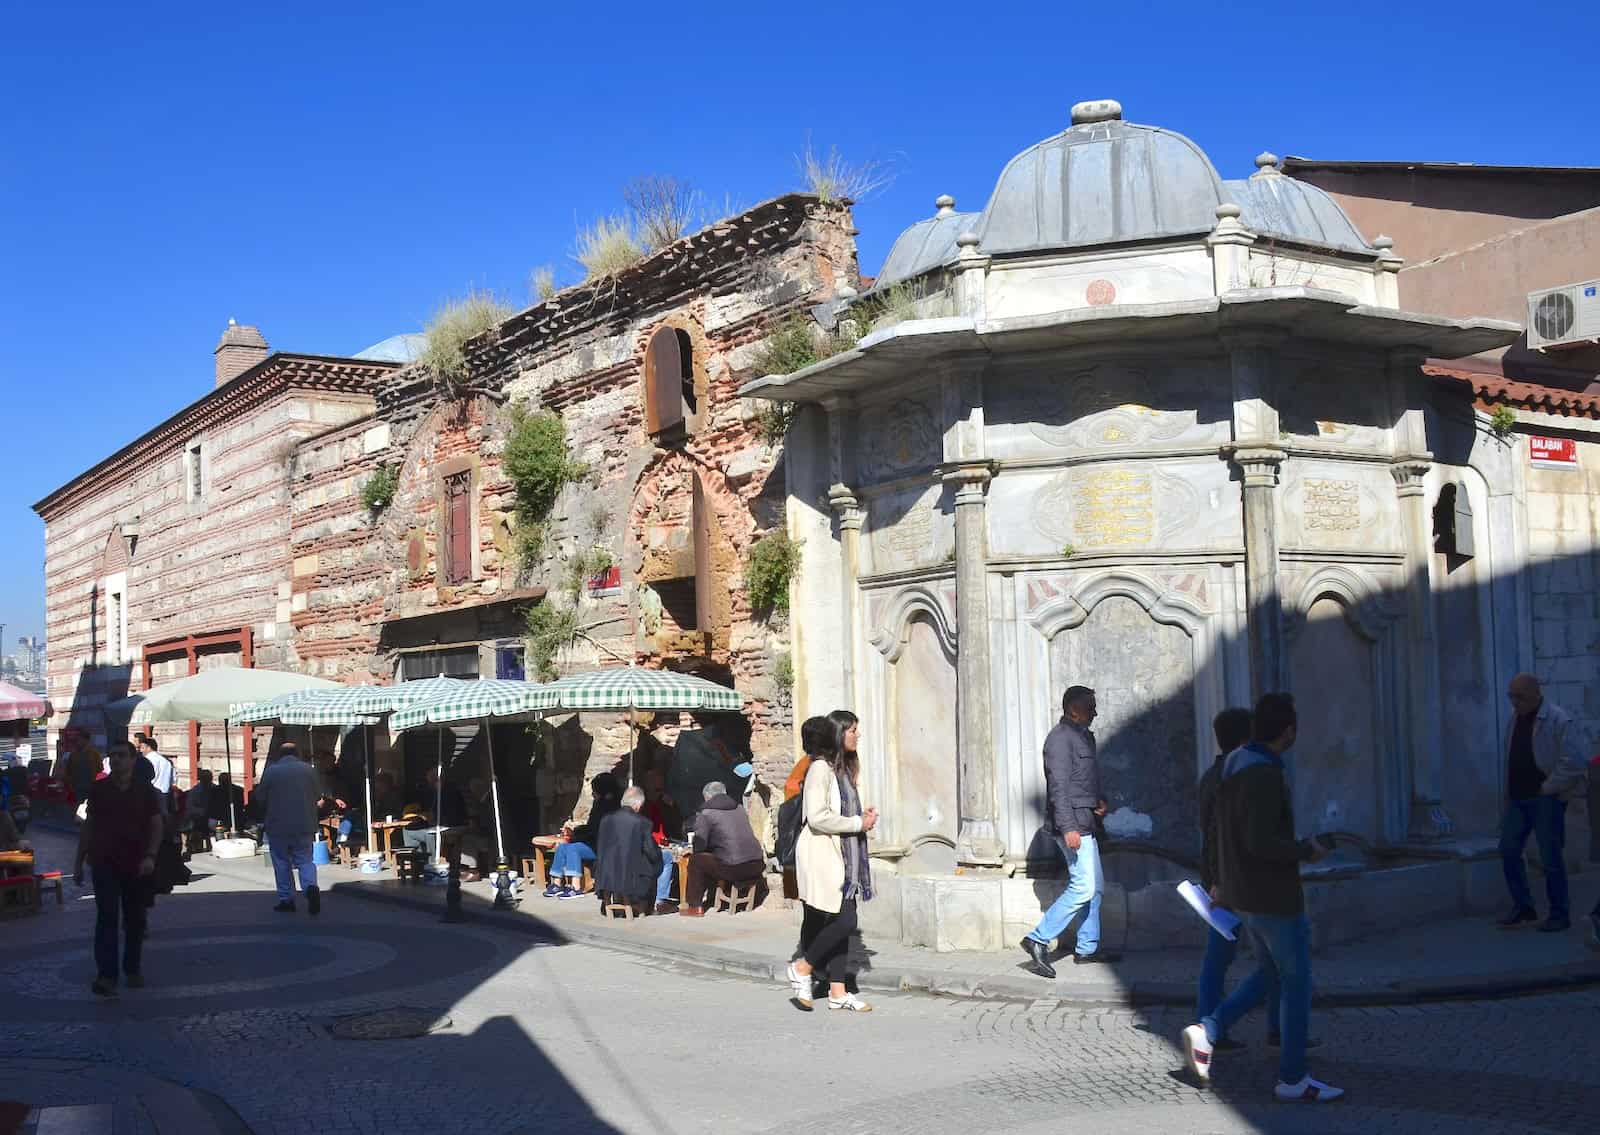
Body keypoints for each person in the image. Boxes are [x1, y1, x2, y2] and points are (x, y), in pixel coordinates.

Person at [1181, 693, 1342, 1103]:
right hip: (1271, 895)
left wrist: (1221, 884)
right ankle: (1292, 1077)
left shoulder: (1232, 766)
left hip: (1242, 893)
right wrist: (1308, 849)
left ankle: (1209, 1031)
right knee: (1297, 980)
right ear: (1288, 732)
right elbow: (1261, 842)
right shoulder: (1264, 773)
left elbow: (1220, 835)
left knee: (1271, 974)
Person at [1194, 706, 1278, 1050]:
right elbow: (1217, 835)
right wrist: (1219, 881)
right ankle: (1216, 1027)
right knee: (1274, 960)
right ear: (1246, 738)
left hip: (1220, 882)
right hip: (1234, 885)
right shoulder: (1234, 777)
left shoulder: (1210, 775)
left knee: (1218, 959)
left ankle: (1210, 1023)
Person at [784, 710, 877, 1012]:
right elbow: (817, 816)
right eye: (852, 730)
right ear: (838, 734)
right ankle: (803, 968)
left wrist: (863, 819)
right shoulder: (820, 769)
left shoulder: (843, 770)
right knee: (844, 920)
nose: (857, 735)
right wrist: (856, 824)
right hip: (822, 856)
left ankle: (837, 991)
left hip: (841, 856)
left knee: (833, 921)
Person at [1020, 686, 1113, 978]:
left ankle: (1087, 947)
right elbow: (1058, 789)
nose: (1095, 712)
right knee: (1083, 886)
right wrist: (1068, 827)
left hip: (1086, 820)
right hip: (1072, 825)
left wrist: (1098, 801)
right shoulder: (1059, 740)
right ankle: (1037, 938)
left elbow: (1081, 781)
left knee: (1094, 887)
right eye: (1090, 707)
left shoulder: (1083, 737)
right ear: (1073, 708)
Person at [1497, 673, 1587, 933]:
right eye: (1511, 696)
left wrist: (1547, 787)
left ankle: (1559, 913)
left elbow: (1574, 761)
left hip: (1544, 799)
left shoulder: (1558, 719)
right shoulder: (1515, 719)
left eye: (1520, 696)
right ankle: (1524, 907)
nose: (1514, 702)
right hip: (1518, 799)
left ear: (1536, 694)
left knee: (1550, 857)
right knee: (1509, 850)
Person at [73, 745, 162, 998]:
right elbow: (89, 826)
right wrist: (78, 862)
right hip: (104, 862)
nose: (116, 759)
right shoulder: (99, 789)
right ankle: (107, 975)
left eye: (122, 755)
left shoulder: (145, 790)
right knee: (107, 917)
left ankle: (132, 968)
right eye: (113, 755)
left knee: (135, 919)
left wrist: (151, 856)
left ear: (134, 760)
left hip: (137, 863)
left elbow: (156, 825)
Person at [255, 742, 323, 915]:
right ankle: (310, 888)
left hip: (278, 825)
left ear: (280, 754)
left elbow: (260, 797)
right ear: (297, 753)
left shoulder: (272, 771)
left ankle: (287, 899)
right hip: (305, 823)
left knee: (281, 862)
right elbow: (317, 796)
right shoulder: (309, 770)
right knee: (305, 860)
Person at [682, 780, 765, 917]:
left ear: (707, 797)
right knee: (713, 858)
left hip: (735, 868)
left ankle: (694, 906)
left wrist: (693, 849)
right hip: (756, 864)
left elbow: (700, 845)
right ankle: (712, 897)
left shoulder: (707, 813)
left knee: (696, 860)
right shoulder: (739, 808)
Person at [546, 774, 620, 897]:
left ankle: (576, 887)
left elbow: (596, 830)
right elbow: (590, 826)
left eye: (594, 791)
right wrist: (574, 832)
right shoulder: (599, 805)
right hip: (592, 843)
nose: (592, 794)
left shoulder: (609, 808)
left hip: (602, 848)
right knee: (562, 847)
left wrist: (575, 835)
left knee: (572, 848)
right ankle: (557, 883)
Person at [594, 785, 664, 911]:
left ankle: (614, 901)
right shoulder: (642, 822)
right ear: (638, 805)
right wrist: (659, 855)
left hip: (605, 873)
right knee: (662, 861)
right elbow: (651, 851)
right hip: (631, 876)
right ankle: (656, 902)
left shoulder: (606, 819)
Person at [61, 728, 101, 807]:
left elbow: (99, 771)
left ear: (86, 740)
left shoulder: (94, 754)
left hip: (90, 789)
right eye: (77, 739)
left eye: (79, 739)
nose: (77, 742)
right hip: (76, 790)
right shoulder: (73, 755)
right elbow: (68, 771)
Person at [134, 734, 175, 810]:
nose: (141, 750)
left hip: (151, 795)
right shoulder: (166, 761)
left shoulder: (146, 761)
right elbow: (173, 780)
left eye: (142, 748)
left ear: (149, 748)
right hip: (165, 794)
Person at [182, 770, 214, 854]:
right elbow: (190, 807)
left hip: (212, 816)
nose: (208, 780)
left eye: (209, 778)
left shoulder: (215, 789)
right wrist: (203, 811)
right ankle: (196, 845)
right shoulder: (195, 791)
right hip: (199, 817)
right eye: (206, 778)